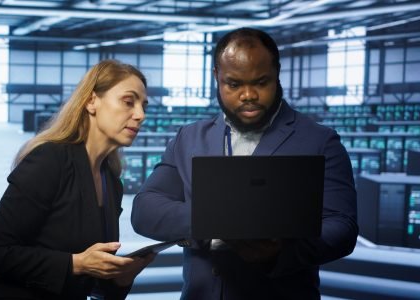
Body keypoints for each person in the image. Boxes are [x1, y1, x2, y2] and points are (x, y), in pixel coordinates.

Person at [131, 27, 358, 299]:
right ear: (217, 77)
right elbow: (146, 208)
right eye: (234, 84)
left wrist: (280, 252)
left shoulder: (320, 141)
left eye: (261, 82)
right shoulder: (189, 138)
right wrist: (215, 222)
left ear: (277, 74)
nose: (248, 95)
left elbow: (342, 226)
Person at [0, 59, 154, 300]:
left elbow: (91, 283)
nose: (140, 115)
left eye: (144, 106)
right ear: (92, 101)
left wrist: (120, 279)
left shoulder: (111, 181)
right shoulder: (50, 159)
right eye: (128, 102)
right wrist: (76, 263)